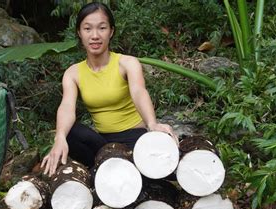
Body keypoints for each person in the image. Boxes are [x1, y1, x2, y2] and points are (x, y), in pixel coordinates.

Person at [41, 2, 177, 177]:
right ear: (79, 33)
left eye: (102, 28)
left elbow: (138, 92)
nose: (95, 36)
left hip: (136, 138)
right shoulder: (73, 73)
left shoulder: (127, 63)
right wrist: (59, 137)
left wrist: (152, 124)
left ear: (111, 31)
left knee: (171, 168)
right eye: (88, 29)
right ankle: (104, 171)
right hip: (103, 143)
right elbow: (67, 106)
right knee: (70, 132)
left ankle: (119, 171)